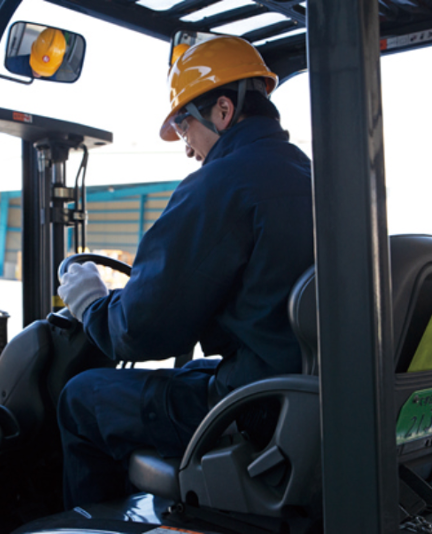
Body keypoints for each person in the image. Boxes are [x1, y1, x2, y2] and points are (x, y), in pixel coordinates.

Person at [56, 35, 314, 509]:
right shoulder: (310, 174)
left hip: (255, 409)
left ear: (222, 110)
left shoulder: (222, 183)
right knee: (191, 369)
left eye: (184, 123)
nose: (188, 146)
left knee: (81, 396)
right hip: (301, 392)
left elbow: (139, 331)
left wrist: (92, 303)